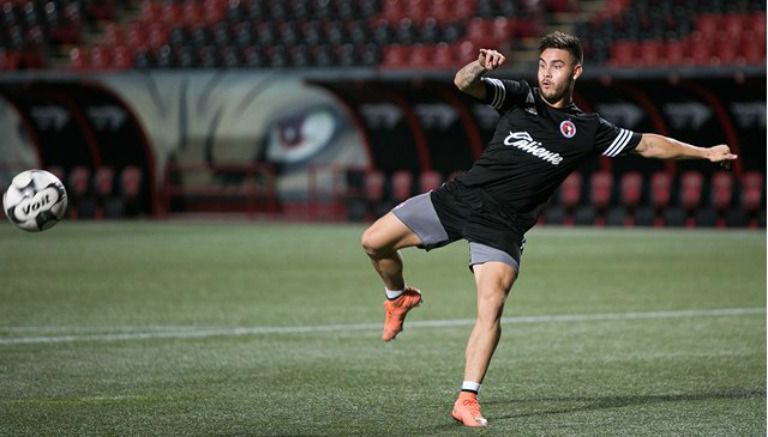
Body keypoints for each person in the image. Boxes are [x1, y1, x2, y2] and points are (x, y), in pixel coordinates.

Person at [360, 31, 737, 428]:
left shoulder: (588, 130)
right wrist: (478, 66)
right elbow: (464, 84)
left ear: (576, 71)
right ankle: (398, 298)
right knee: (372, 242)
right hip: (460, 198)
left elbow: (647, 144)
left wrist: (704, 152)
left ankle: (466, 398)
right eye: (542, 64)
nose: (546, 74)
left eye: (556, 66)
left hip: (503, 226)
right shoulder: (521, 97)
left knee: (491, 306)